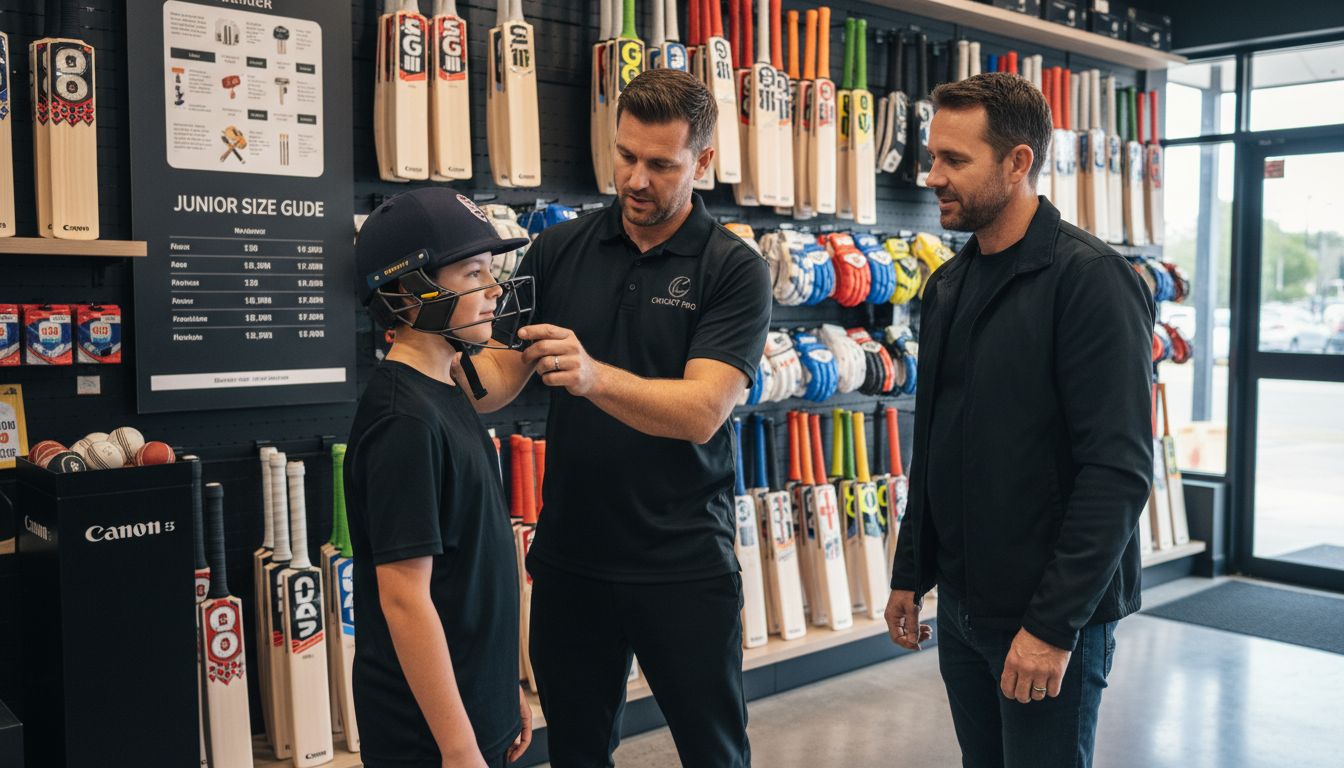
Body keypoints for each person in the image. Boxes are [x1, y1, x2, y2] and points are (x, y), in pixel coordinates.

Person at [465, 69, 771, 767]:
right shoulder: (555, 250)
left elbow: (703, 411)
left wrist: (593, 375)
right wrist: (423, 361)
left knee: (715, 754)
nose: (636, 179)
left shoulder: (733, 270)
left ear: (704, 162)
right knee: (575, 752)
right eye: (625, 155)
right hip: (573, 560)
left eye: (661, 165)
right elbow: (498, 379)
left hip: (685, 564)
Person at [884, 73, 1155, 767]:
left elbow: (1117, 474)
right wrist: (909, 573)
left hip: (1046, 617)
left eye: (954, 161)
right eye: (933, 156)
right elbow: (937, 445)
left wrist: (1052, 627)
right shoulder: (947, 286)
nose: (932, 176)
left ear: (1018, 162)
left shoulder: (1090, 282)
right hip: (966, 612)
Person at [345, 187, 537, 768]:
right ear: (412, 288)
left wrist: (505, 691)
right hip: (427, 736)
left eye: (491, 272)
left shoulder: (448, 387)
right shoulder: (403, 420)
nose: (494, 290)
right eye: (473, 273)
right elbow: (405, 598)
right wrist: (458, 747)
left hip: (474, 705)